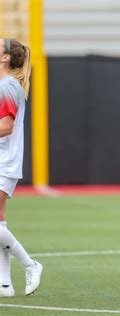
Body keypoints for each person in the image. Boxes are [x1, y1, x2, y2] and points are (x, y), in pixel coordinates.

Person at [0, 38, 43, 298]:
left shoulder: (7, 85)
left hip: (4, 162)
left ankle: (30, 264)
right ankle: (5, 284)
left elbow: (6, 126)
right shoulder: (5, 84)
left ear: (5, 57)